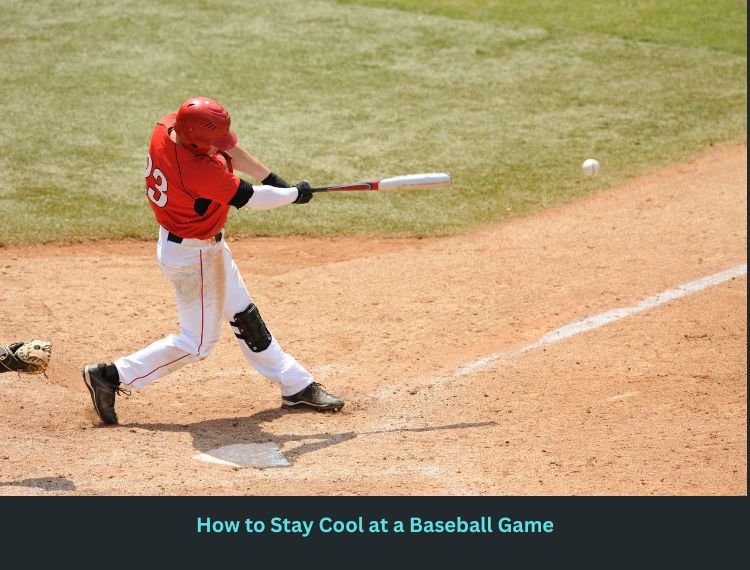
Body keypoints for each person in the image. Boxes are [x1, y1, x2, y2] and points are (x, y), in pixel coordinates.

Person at [82, 97, 344, 425]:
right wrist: (293, 194)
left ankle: (295, 385)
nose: (219, 146)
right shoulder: (196, 170)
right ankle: (112, 376)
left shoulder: (168, 126)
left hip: (198, 246)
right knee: (197, 344)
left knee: (244, 316)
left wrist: (274, 179)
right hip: (195, 257)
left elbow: (231, 150)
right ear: (195, 139)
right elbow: (250, 199)